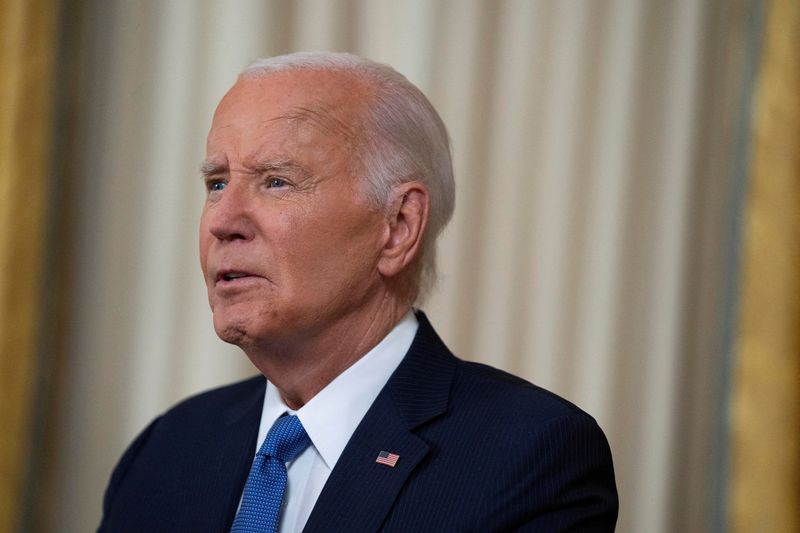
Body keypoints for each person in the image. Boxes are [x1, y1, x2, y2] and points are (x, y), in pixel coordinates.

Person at [98, 51, 618, 533]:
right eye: (216, 183)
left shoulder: (529, 457)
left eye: (276, 181)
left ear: (396, 226)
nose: (223, 222)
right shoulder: (167, 449)